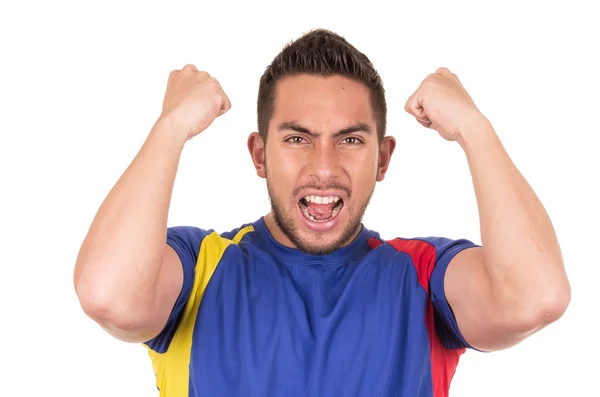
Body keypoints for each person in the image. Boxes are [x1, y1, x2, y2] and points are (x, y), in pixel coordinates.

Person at [73, 29, 571, 396]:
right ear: (259, 155)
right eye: (297, 139)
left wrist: (474, 128)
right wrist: (171, 127)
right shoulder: (199, 265)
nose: (324, 168)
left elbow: (536, 299)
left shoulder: (420, 275)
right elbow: (109, 297)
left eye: (350, 140)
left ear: (383, 158)